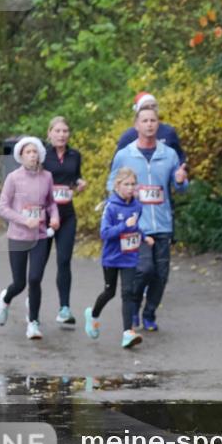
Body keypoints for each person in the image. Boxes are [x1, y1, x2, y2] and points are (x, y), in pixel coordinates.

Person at [107, 105, 188, 331]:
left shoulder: (169, 154)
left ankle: (149, 313)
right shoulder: (125, 155)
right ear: (136, 125)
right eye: (145, 121)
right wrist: (123, 195)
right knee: (144, 269)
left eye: (153, 121)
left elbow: (179, 187)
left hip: (162, 223)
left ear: (158, 124)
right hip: (136, 225)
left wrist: (181, 180)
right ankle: (132, 308)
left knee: (161, 275)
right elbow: (110, 183)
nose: (150, 124)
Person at [0, 137, 59, 340]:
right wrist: (23, 220)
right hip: (18, 236)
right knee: (20, 283)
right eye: (28, 152)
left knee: (35, 279)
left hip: (40, 236)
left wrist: (55, 216)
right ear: (21, 156)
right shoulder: (13, 178)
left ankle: (33, 323)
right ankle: (6, 298)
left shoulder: (47, 176)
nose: (32, 155)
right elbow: (2, 208)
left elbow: (50, 203)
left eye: (34, 152)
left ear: (40, 154)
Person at [85, 167, 152, 349]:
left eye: (133, 184)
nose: (130, 188)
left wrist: (144, 236)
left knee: (127, 293)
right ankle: (93, 314)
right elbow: (105, 233)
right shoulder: (111, 206)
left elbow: (134, 227)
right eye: (126, 184)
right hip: (112, 258)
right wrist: (124, 225)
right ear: (117, 185)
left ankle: (127, 333)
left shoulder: (137, 206)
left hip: (129, 256)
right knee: (110, 292)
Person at [43, 116, 87, 328]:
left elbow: (75, 176)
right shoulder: (42, 155)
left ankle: (64, 308)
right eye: (57, 131)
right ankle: (31, 304)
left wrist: (79, 182)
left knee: (64, 261)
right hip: (44, 217)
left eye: (65, 131)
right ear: (49, 133)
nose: (61, 135)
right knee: (38, 265)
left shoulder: (74, 155)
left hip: (67, 215)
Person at [116, 92, 187, 164]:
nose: (150, 109)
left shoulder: (168, 132)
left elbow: (180, 157)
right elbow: (117, 165)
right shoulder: (128, 137)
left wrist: (181, 170)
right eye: (146, 107)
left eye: (153, 106)